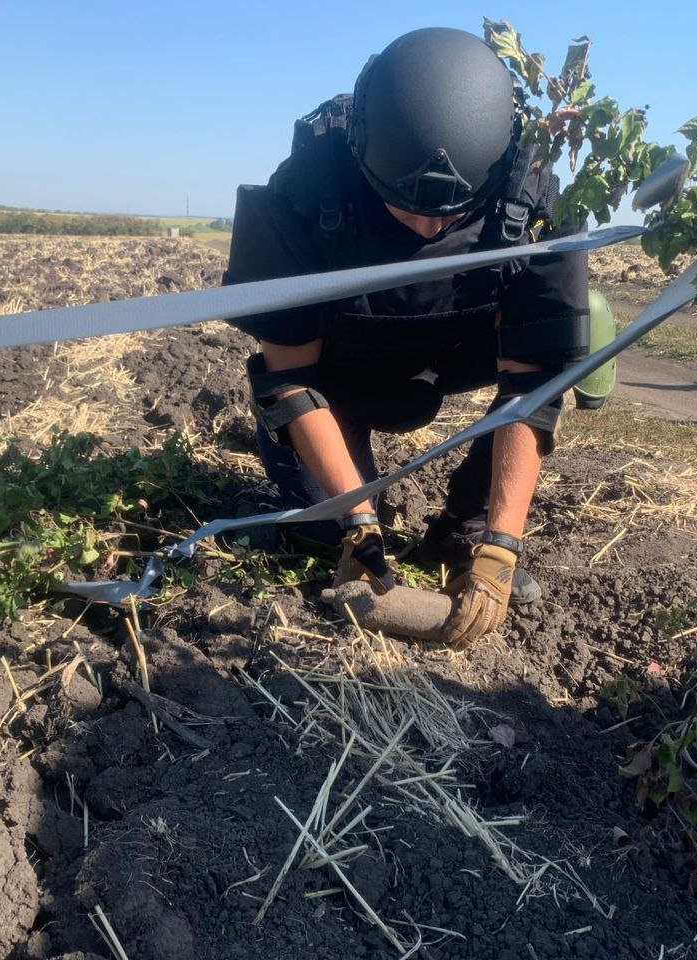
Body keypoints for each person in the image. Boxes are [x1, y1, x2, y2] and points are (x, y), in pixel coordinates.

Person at [223, 26, 603, 649]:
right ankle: (333, 508)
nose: (428, 227)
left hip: (445, 357)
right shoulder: (307, 191)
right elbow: (289, 379)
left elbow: (532, 389)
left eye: (452, 214)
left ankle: (464, 527)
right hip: (333, 380)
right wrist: (357, 519)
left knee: (576, 337)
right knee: (322, 528)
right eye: (405, 207)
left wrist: (501, 546)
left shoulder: (528, 196)